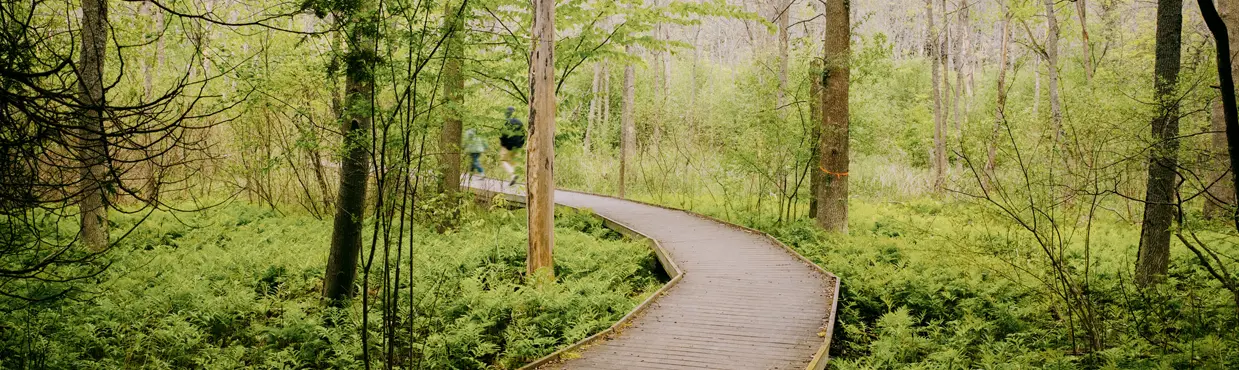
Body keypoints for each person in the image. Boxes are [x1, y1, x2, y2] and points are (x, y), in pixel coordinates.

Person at [498, 106, 526, 186]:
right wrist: (521, 144)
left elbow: (502, 135)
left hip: (507, 146)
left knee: (503, 161)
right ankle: (515, 177)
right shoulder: (520, 122)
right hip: (517, 146)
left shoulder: (505, 122)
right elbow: (523, 135)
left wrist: (502, 144)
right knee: (513, 163)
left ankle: (513, 175)